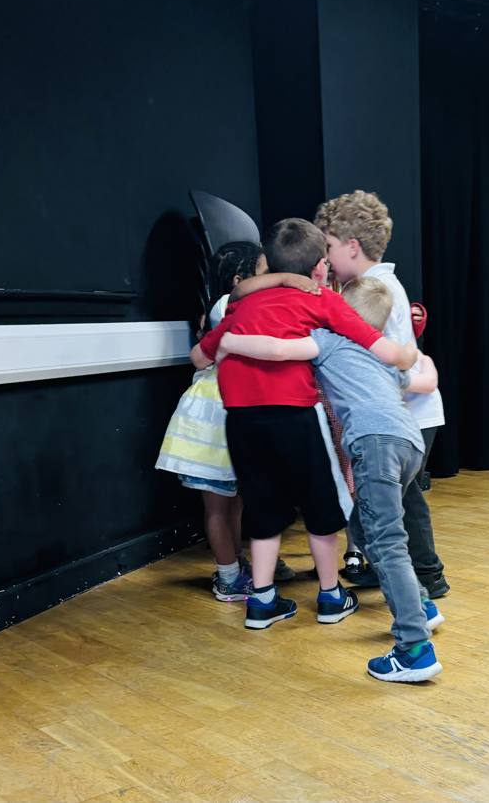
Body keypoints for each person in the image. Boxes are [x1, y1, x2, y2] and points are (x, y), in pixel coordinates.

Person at [191, 218, 417, 630]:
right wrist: (408, 356)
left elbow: (198, 358)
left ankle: (261, 603)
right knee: (321, 506)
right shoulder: (321, 299)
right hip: (295, 415)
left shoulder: (240, 307)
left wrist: (227, 346)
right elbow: (377, 345)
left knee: (262, 507)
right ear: (318, 267)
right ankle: (331, 596)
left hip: (242, 420)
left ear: (268, 262)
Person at [219, 276, 444, 681]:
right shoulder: (380, 356)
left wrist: (229, 340)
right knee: (363, 525)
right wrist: (417, 356)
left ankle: (414, 649)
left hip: (375, 445)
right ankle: (421, 604)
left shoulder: (329, 340)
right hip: (409, 444)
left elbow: (276, 349)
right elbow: (425, 381)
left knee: (385, 541)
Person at [315, 191, 450, 598]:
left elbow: (386, 363)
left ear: (352, 246)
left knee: (403, 502)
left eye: (329, 247)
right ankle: (392, 568)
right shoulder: (375, 285)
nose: (326, 258)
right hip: (403, 413)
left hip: (407, 414)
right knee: (395, 500)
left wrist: (414, 381)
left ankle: (428, 576)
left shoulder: (374, 289)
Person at [155, 242, 294, 602]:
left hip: (231, 409)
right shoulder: (227, 306)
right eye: (264, 272)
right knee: (218, 504)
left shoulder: (232, 307)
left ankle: (234, 565)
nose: (270, 278)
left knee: (234, 501)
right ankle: (227, 576)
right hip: (213, 415)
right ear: (239, 280)